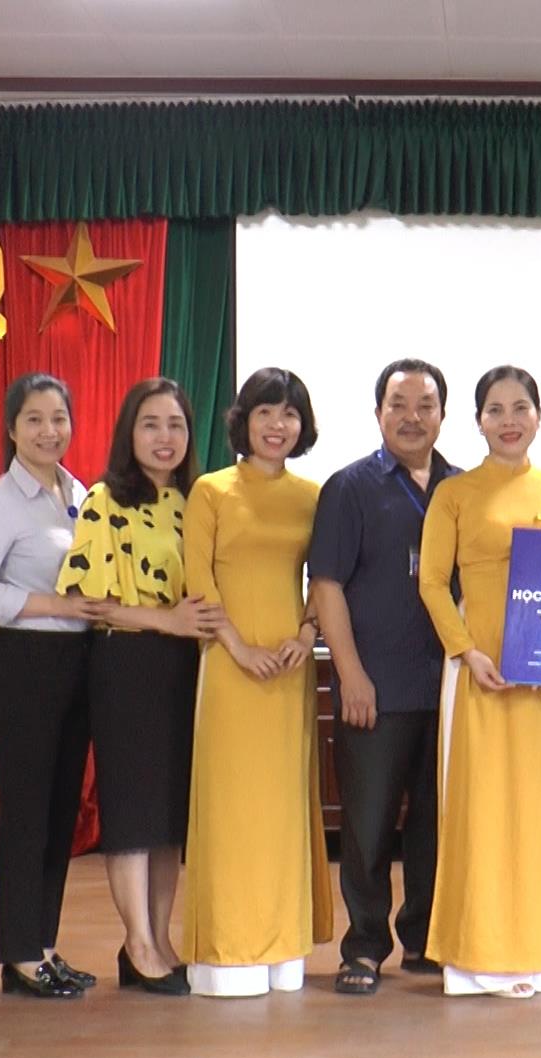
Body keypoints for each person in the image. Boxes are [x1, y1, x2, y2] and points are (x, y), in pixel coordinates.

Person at [418, 365, 541, 999]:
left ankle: (536, 953)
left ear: (538, 416)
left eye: (520, 408)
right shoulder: (454, 493)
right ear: (478, 421)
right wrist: (466, 651)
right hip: (478, 671)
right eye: (495, 409)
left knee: (539, 814)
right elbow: (432, 582)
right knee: (479, 812)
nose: (508, 420)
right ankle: (476, 958)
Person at [57, 378, 225, 997]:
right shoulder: (105, 499)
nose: (164, 437)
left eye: (176, 425)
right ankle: (136, 942)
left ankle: (159, 938)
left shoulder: (196, 501)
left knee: (168, 816)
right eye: (151, 424)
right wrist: (166, 620)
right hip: (127, 662)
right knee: (132, 812)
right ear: (129, 432)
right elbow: (88, 600)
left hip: (186, 667)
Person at [0, 372, 107, 998]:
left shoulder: (80, 493)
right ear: (12, 429)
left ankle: (42, 946)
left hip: (77, 666)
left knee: (61, 812)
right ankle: (18, 954)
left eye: (59, 418)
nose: (49, 431)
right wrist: (51, 604)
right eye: (34, 420)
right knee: (26, 814)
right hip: (24, 666)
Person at [179, 368, 334, 997]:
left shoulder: (314, 497)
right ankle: (226, 950)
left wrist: (306, 633)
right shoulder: (211, 491)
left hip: (290, 670)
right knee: (230, 807)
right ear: (243, 420)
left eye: (290, 414)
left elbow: (325, 580)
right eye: (266, 411)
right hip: (228, 666)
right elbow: (198, 582)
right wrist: (238, 648)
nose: (278, 424)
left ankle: (283, 945)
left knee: (282, 808)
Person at [309, 359, 460, 995]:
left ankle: (425, 939)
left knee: (434, 825)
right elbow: (326, 585)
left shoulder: (463, 488)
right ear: (378, 414)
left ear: (443, 415)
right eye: (398, 405)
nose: (411, 417)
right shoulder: (349, 488)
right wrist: (350, 674)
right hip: (375, 688)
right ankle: (365, 947)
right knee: (368, 827)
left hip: (449, 690)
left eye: (425, 405)